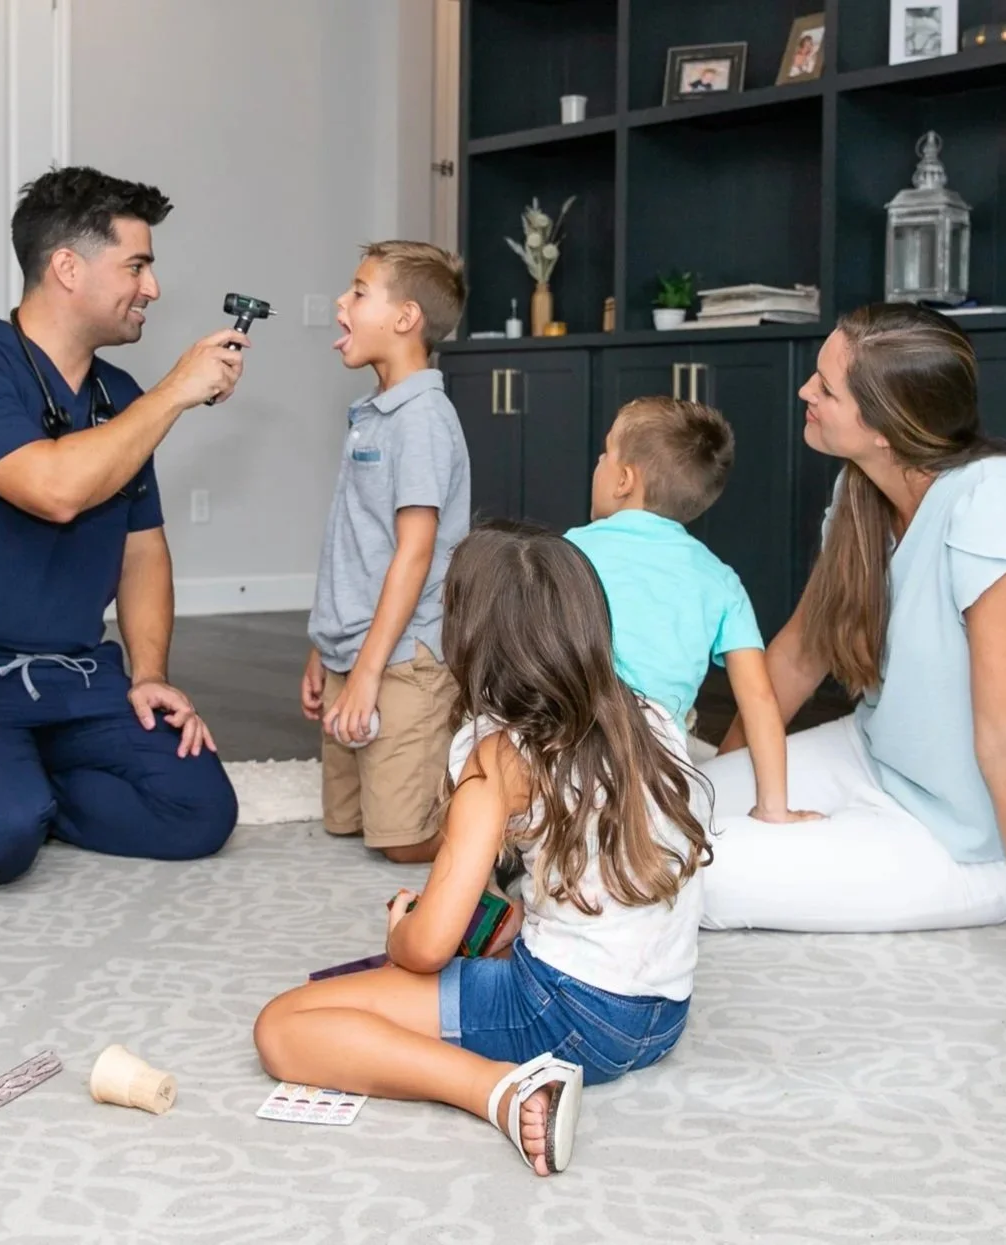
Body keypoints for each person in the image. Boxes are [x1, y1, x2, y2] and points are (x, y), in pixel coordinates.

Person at [696, 303, 1006, 986]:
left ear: (887, 427)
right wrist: (708, 789)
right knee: (654, 819)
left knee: (677, 873)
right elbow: (793, 658)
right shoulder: (859, 492)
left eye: (826, 387)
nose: (804, 392)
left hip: (957, 842)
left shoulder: (993, 505)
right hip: (869, 755)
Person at [256, 523, 712, 1176]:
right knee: (466, 943)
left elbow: (429, 946)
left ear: (470, 644)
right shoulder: (652, 718)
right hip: (663, 1014)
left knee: (284, 1025)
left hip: (565, 1012)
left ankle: (498, 1090)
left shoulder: (500, 755)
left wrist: (402, 935)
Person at [0, 166, 249, 886]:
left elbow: (142, 550)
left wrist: (147, 675)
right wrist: (175, 391)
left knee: (197, 811)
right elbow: (55, 489)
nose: (153, 289)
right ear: (67, 267)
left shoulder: (121, 396)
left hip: (76, 672)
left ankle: (21, 774)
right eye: (137, 265)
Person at [565, 396, 819, 824]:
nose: (599, 462)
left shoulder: (567, 552)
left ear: (624, 479)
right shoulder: (719, 579)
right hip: (658, 778)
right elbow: (758, 698)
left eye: (606, 453)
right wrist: (774, 808)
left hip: (566, 761)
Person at [300, 241, 472, 864]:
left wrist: (369, 673)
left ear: (405, 319)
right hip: (356, 650)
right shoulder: (373, 415)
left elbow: (414, 554)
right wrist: (327, 648)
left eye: (358, 291)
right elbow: (353, 542)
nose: (341, 303)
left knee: (404, 843)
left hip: (401, 659)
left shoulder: (422, 418)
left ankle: (504, 819)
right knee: (346, 824)